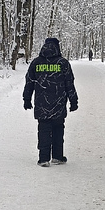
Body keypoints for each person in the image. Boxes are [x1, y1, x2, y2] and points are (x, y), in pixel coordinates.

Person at [22, 36, 78, 166]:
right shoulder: (63, 63)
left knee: (43, 129)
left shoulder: (36, 63)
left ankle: (43, 159)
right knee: (58, 129)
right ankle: (57, 157)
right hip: (59, 104)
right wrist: (73, 101)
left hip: (41, 104)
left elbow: (29, 82)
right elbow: (69, 84)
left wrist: (27, 99)